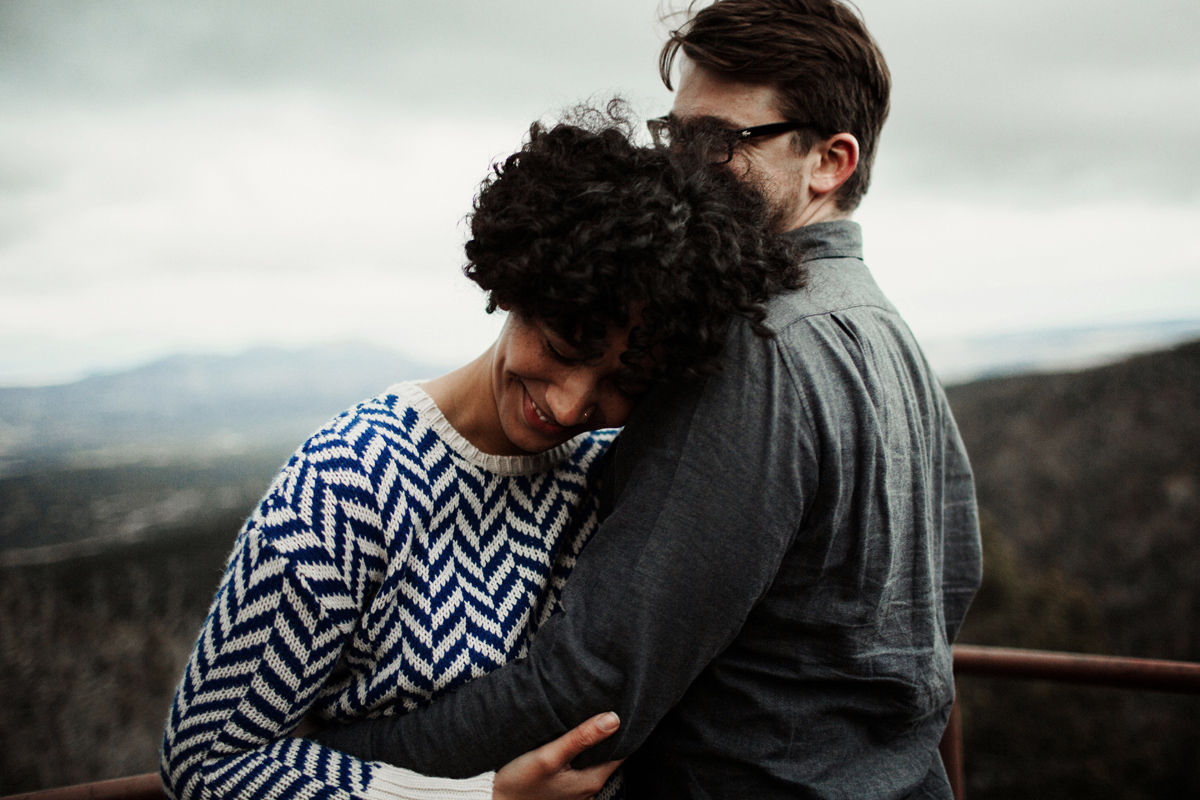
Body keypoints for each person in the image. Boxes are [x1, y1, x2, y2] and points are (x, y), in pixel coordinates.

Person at [310, 1, 984, 799]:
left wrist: (337, 759)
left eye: (719, 143)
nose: (684, 168)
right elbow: (950, 590)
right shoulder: (884, 329)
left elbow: (590, 683)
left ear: (830, 161)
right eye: (677, 136)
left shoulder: (754, 346)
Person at [159, 106, 800, 800]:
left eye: (622, 383)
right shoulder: (348, 482)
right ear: (516, 286)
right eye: (559, 347)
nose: (567, 406)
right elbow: (204, 762)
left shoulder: (613, 469)